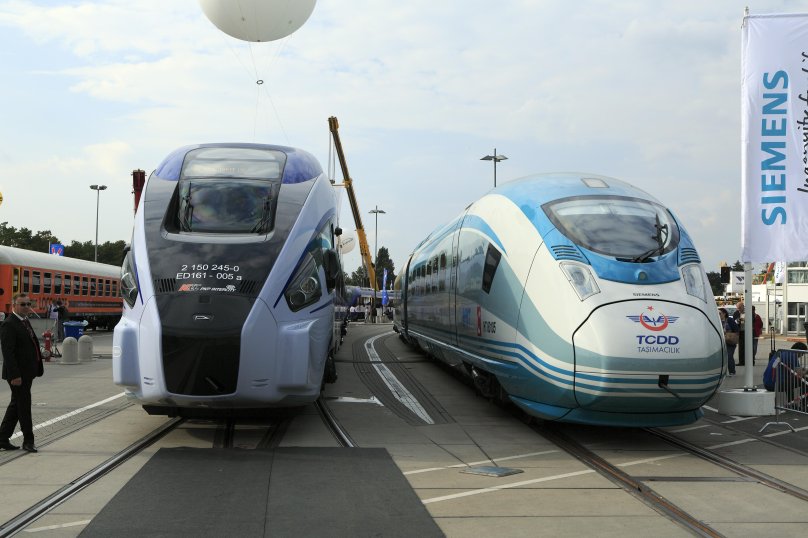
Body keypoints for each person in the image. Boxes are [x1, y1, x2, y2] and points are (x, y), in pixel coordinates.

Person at [0, 293, 45, 452]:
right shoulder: (9, 324)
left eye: (28, 304)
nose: (26, 307)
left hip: (27, 372)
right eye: (23, 304)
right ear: (14, 305)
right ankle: (28, 441)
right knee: (24, 407)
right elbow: (8, 353)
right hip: (18, 375)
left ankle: (2, 438)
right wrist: (15, 375)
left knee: (16, 405)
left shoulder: (24, 321)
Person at [719, 308, 738, 376]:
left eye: (720, 313)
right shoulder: (717, 321)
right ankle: (723, 372)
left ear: (724, 314)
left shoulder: (729, 320)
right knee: (722, 358)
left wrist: (728, 333)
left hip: (730, 341)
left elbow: (736, 329)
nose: (719, 315)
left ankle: (732, 371)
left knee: (729, 356)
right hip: (721, 342)